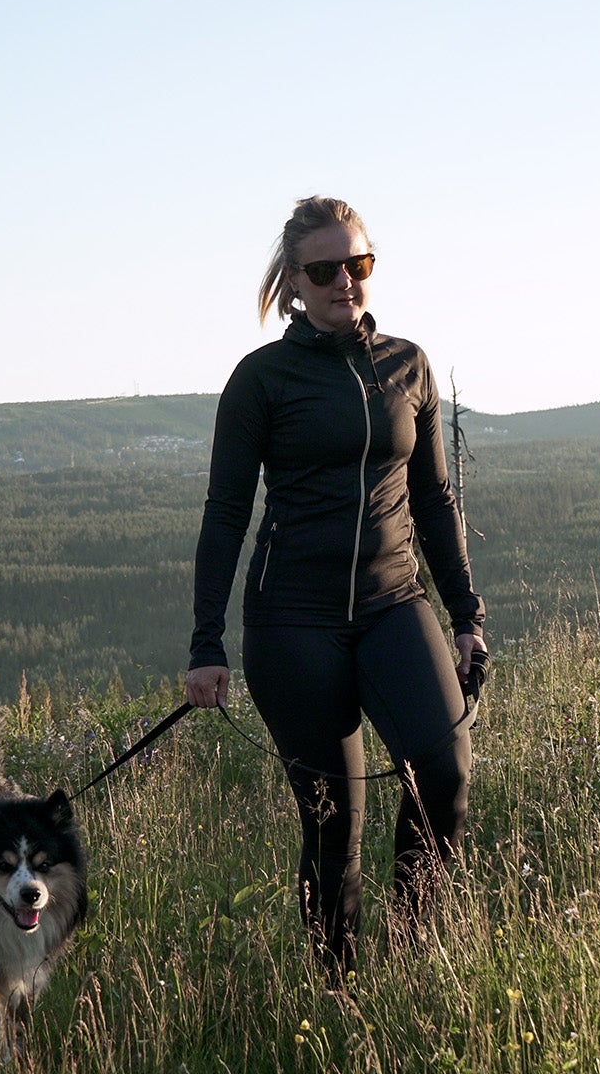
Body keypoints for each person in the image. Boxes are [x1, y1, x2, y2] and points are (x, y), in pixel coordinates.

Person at [184, 195, 487, 978]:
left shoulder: (407, 365)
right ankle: (338, 994)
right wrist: (206, 643)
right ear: (292, 281)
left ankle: (417, 952)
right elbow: (224, 516)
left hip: (393, 603)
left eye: (358, 264)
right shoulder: (261, 381)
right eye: (325, 271)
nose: (345, 282)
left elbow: (434, 502)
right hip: (293, 624)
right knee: (333, 827)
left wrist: (465, 617)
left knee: (445, 772)